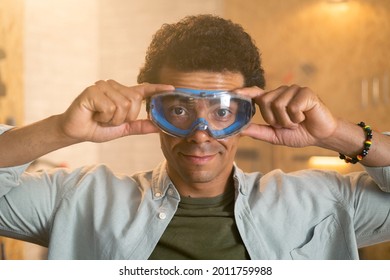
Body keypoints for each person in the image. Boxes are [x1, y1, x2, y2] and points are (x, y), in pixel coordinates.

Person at [1, 14, 390, 260]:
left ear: (245, 115)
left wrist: (339, 134)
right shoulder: (81, 201)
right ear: (154, 108)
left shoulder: (323, 203)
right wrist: (60, 130)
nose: (200, 136)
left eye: (222, 112)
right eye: (180, 110)